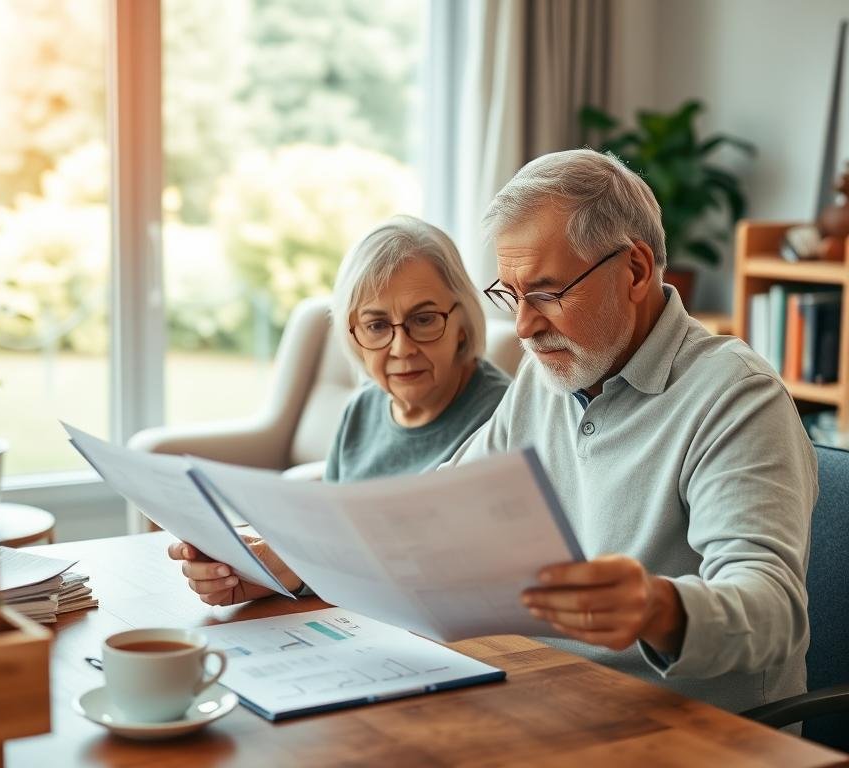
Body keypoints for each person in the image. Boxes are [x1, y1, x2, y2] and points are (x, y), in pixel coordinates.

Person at [444, 148, 815, 715]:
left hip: (683, 730)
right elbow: (444, 501)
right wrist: (308, 553)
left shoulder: (737, 397)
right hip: (547, 698)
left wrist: (657, 608)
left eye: (546, 293)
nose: (524, 326)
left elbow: (773, 610)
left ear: (636, 270)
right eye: (511, 294)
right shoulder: (550, 372)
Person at [168, 215, 511, 603]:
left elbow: (467, 572)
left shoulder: (506, 417)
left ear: (463, 321)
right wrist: (266, 579)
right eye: (377, 325)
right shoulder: (362, 409)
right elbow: (335, 561)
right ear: (354, 334)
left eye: (424, 319)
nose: (401, 348)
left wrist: (293, 563)